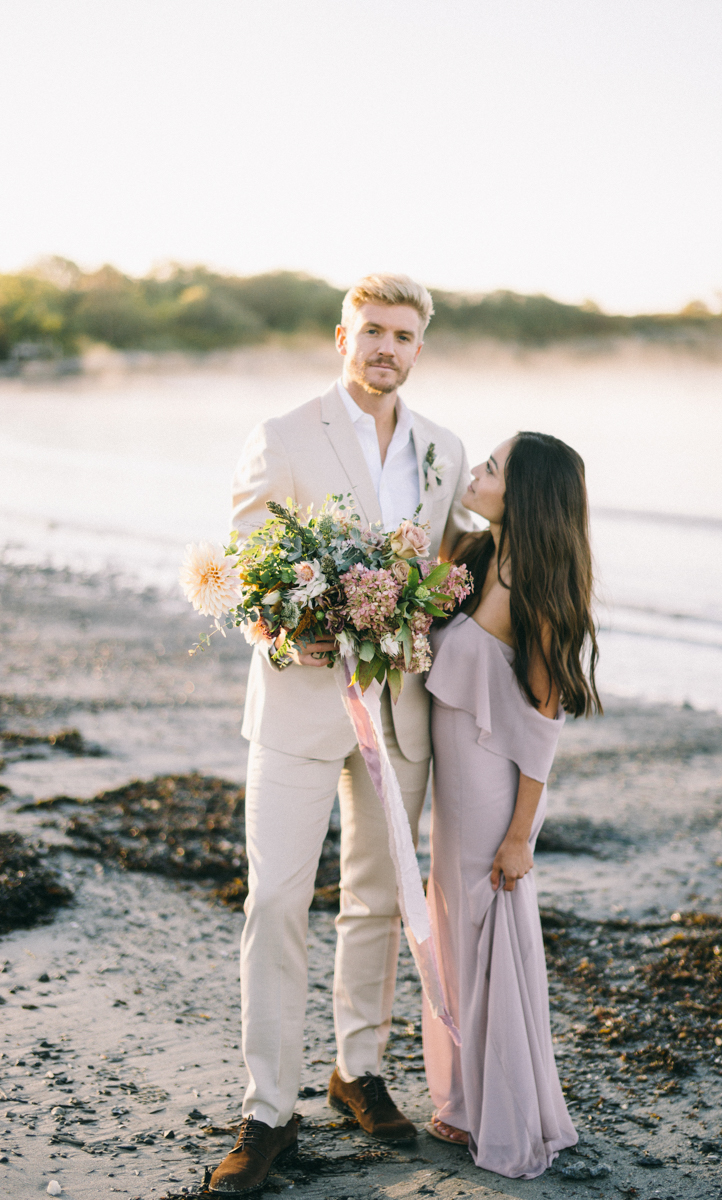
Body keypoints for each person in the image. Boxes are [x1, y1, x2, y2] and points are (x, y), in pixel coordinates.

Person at [209, 274, 473, 1196]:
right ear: (341, 336)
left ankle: (358, 1071)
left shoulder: (445, 447)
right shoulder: (283, 435)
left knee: (378, 901)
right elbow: (237, 570)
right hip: (296, 707)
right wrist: (279, 625)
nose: (385, 348)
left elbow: (455, 568)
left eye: (402, 335)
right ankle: (267, 1112)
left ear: (419, 347)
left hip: (403, 713)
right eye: (371, 332)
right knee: (275, 902)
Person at [421, 431, 601, 1179]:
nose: (477, 472)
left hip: (491, 791)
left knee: (487, 935)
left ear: (523, 494)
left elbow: (541, 727)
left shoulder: (535, 590)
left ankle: (499, 1112)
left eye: (491, 467)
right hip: (453, 791)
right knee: (455, 935)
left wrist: (521, 836)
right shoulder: (479, 557)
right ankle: (464, 1101)